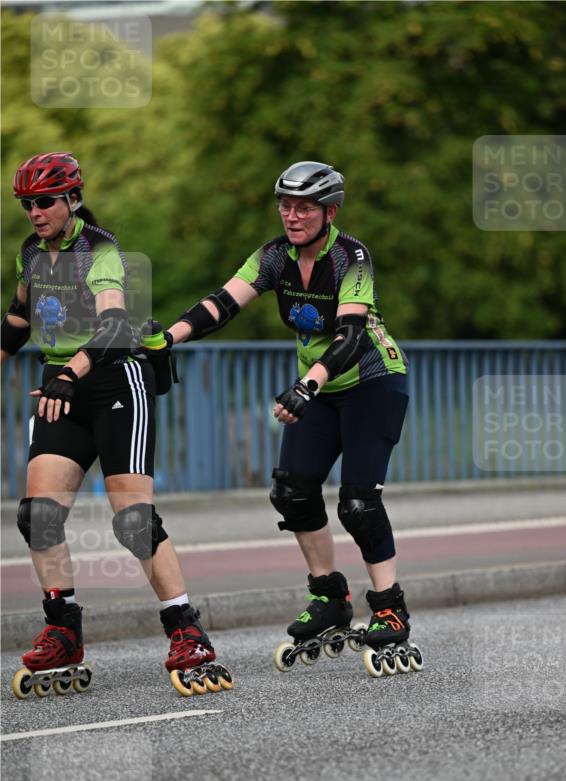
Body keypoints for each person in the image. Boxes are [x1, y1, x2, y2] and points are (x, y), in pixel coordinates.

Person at [165, 161, 419, 675]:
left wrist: (307, 385)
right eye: (285, 205)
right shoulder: (274, 257)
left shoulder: (352, 257)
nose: (291, 215)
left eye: (303, 207)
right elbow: (220, 305)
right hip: (319, 389)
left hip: (371, 380)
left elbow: (349, 338)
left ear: (330, 212)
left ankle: (389, 606)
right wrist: (166, 338)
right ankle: (329, 596)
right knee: (293, 491)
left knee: (358, 503)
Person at [1, 151, 231, 698]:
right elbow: (15, 322)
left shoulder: (98, 250)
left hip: (113, 380)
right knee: (38, 516)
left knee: (133, 522)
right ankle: (64, 629)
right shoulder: (32, 253)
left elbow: (112, 325)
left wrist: (70, 375)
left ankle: (186, 630)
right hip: (63, 388)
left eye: (45, 203)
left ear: (72, 199)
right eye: (27, 204)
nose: (35, 213)